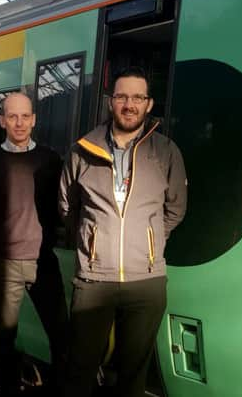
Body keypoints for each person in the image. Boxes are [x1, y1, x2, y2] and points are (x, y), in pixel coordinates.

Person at [59, 66, 187, 397]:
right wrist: (92, 243)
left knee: (134, 374)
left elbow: (175, 208)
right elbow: (67, 207)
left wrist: (150, 243)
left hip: (146, 281)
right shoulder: (82, 151)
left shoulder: (165, 151)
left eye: (137, 97)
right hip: (93, 280)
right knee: (80, 369)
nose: (129, 104)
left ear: (149, 103)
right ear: (110, 102)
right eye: (121, 97)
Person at [0, 92, 68, 396]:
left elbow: (62, 206)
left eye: (25, 116)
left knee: (62, 338)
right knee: (4, 341)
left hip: (44, 262)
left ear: (34, 120)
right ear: (2, 121)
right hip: (3, 264)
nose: (19, 123)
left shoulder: (51, 160)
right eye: (12, 116)